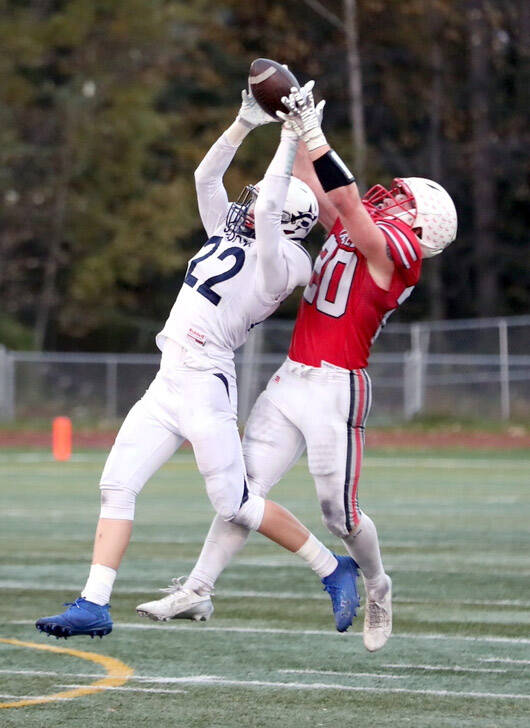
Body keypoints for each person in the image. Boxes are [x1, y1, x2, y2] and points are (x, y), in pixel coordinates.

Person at [137, 82, 457, 653]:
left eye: (403, 200)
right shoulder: (352, 230)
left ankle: (378, 584)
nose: (393, 198)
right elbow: (316, 187)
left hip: (338, 387)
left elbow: (354, 209)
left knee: (341, 515)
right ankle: (198, 588)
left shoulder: (400, 257)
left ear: (420, 225)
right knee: (246, 488)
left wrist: (312, 134)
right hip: (290, 378)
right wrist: (297, 122)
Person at [35, 88, 362, 640]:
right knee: (117, 483)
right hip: (169, 380)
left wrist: (287, 141)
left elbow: (264, 208)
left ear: (284, 220)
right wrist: (242, 124)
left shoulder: (281, 264)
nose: (248, 202)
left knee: (234, 503)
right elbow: (205, 180)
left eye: (265, 201)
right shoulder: (237, 232)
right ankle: (94, 603)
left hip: (207, 384)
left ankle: (334, 567)